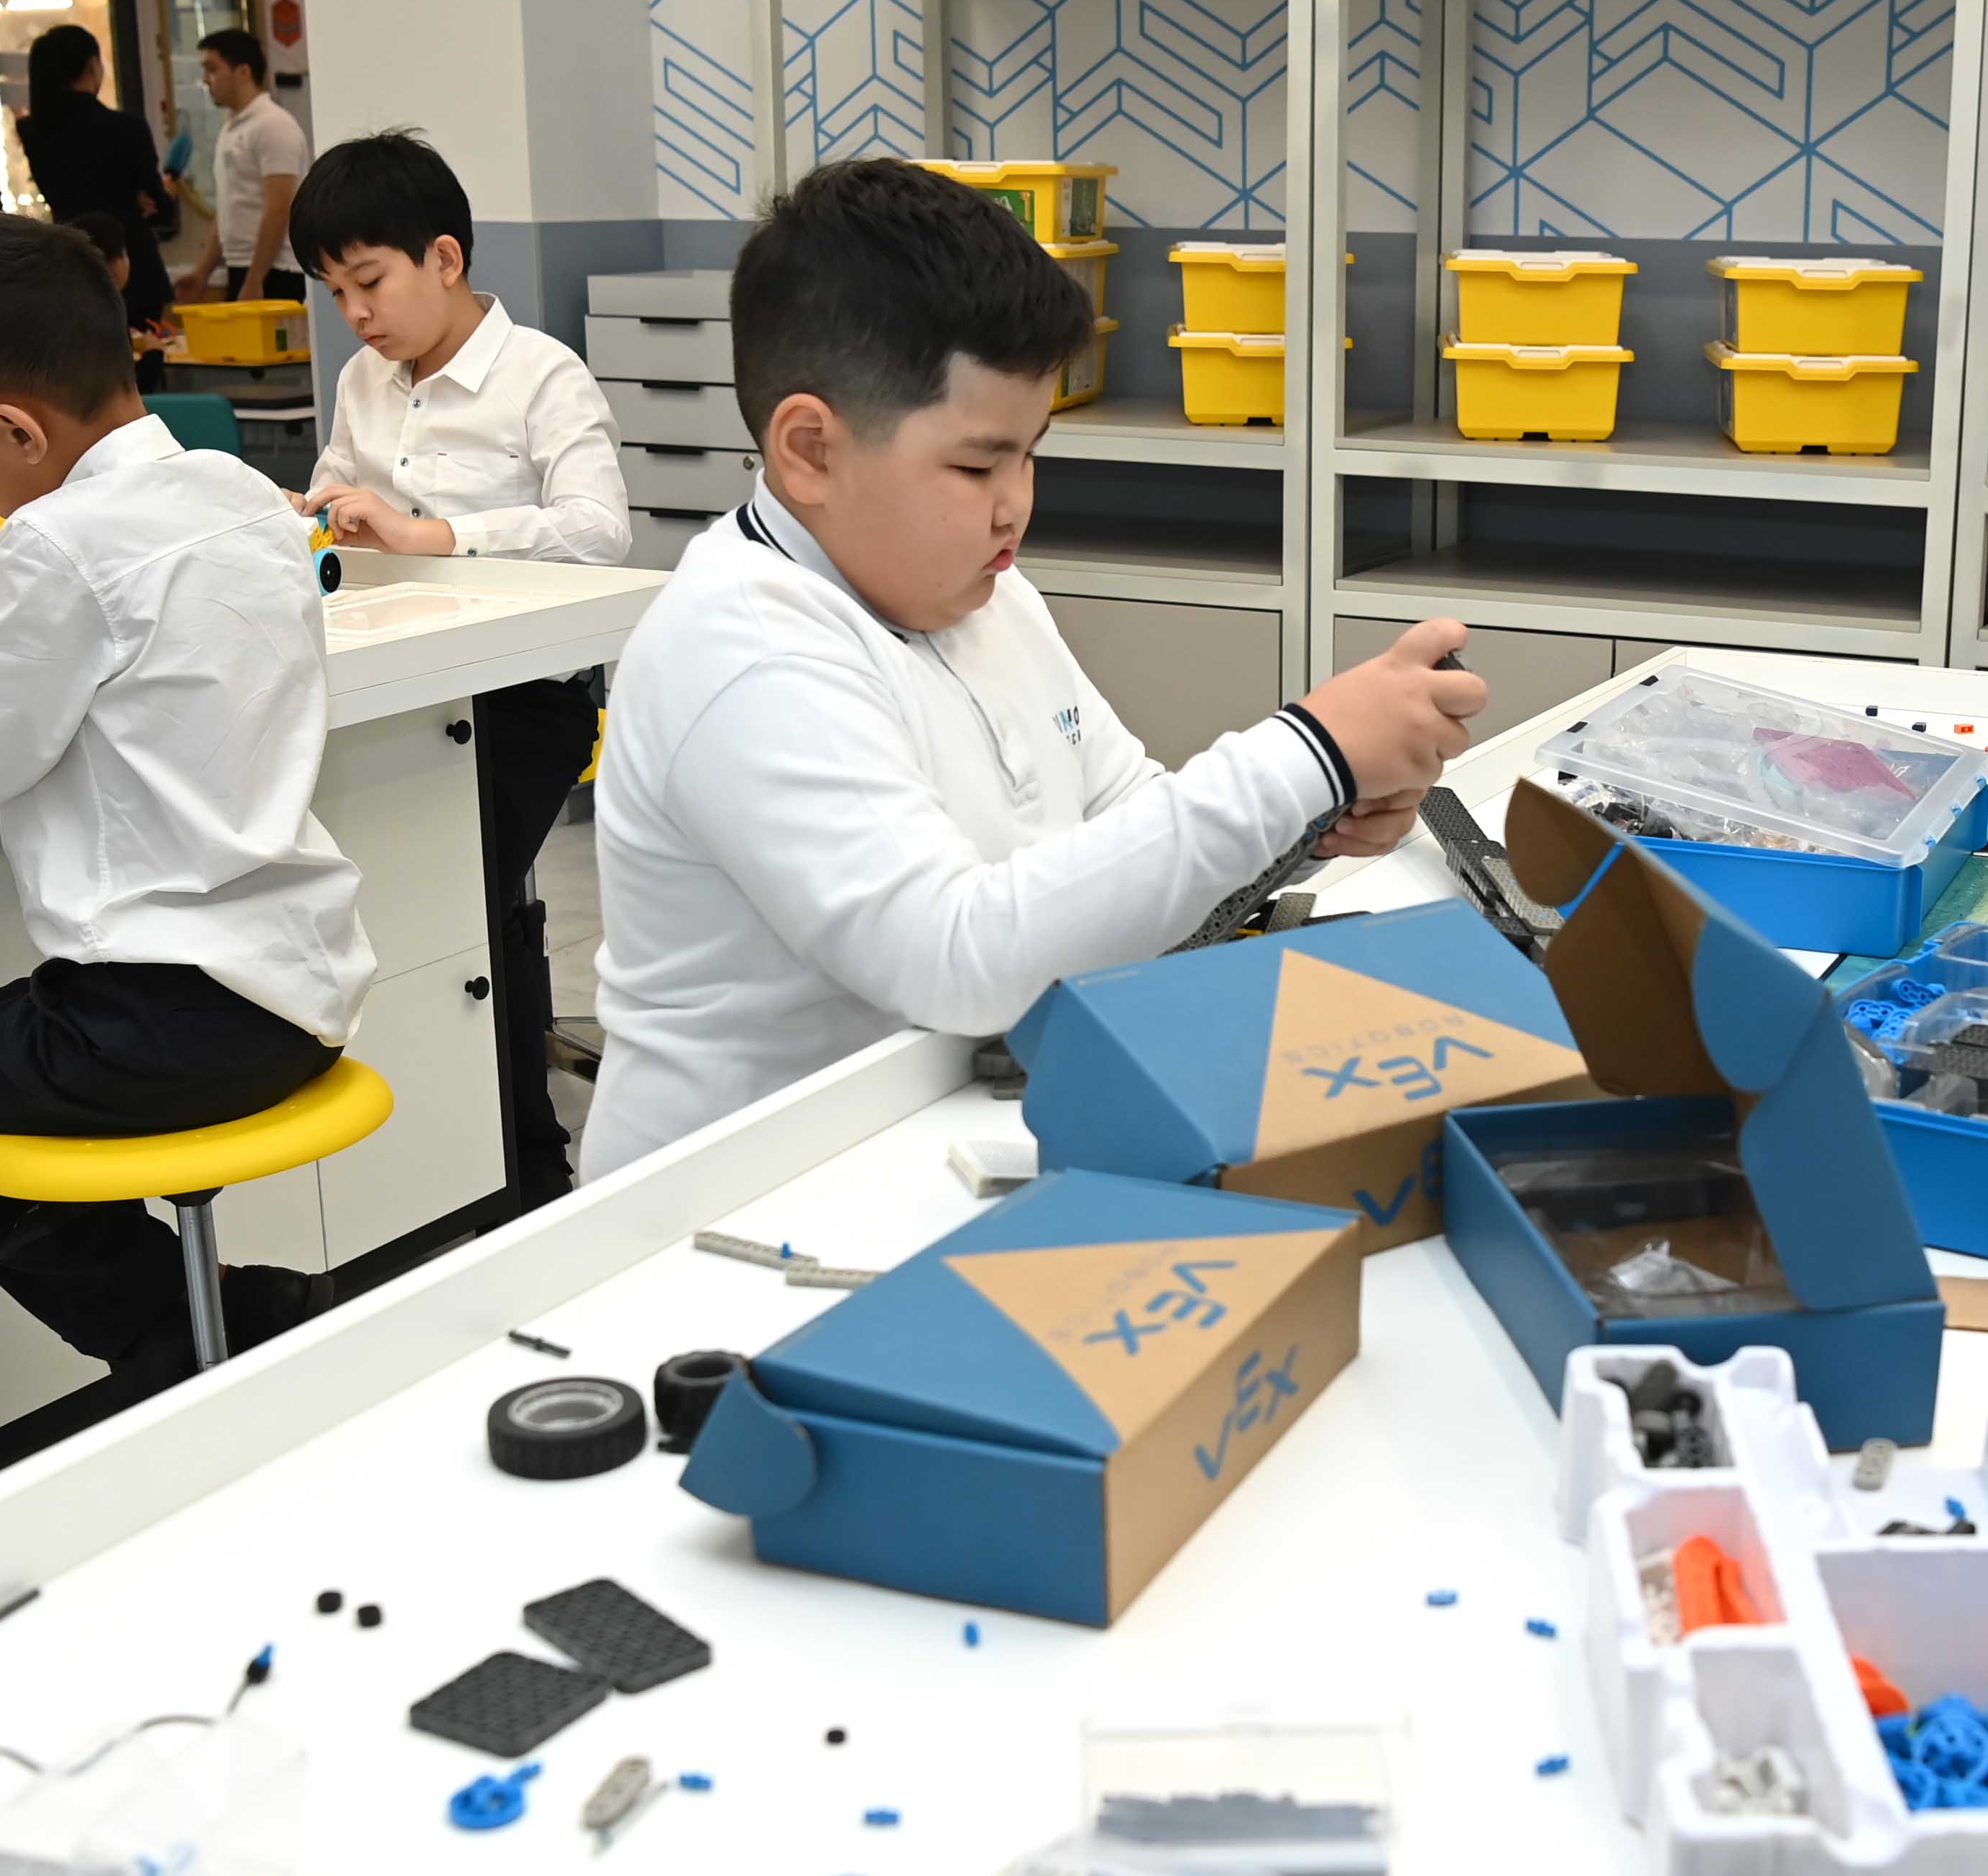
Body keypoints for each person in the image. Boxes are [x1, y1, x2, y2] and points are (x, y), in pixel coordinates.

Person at [582, 160, 1484, 1176]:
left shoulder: (981, 592)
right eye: (977, 464)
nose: (1016, 503)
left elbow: (1122, 819)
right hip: (732, 1199)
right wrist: (1305, 755)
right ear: (809, 451)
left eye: (1030, 452)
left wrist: (1307, 823)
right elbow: (955, 958)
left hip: (947, 1125)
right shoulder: (742, 650)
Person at [0, 213, 375, 1380]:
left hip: (163, 1016)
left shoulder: (55, 543)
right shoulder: (238, 491)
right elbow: (138, 667)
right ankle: (215, 1314)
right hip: (297, 988)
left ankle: (185, 1333)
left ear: (15, 429)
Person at [291, 129, 628, 1203]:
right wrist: (311, 514)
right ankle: (421, 1151)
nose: (356, 314)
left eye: (369, 282)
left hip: (523, 699)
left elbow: (599, 531)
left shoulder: (541, 375)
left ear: (444, 258)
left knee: (455, 894)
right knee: (370, 883)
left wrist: (434, 535)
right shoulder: (365, 381)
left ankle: (524, 1162)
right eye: (336, 293)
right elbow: (335, 494)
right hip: (395, 687)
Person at [15, 25, 170, 348]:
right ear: (92, 65)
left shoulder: (32, 132)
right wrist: (144, 200)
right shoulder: (126, 128)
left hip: (69, 265)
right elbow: (162, 208)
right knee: (142, 360)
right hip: (130, 265)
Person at [176, 26, 307, 304]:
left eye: (212, 69)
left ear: (244, 72)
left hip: (276, 270)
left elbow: (279, 208)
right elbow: (228, 211)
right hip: (242, 265)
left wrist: (256, 279)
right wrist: (202, 273)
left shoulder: (273, 125)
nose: (205, 79)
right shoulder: (231, 129)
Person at [59, 210, 176, 386]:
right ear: (115, 263)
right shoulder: (107, 316)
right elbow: (128, 389)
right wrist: (153, 355)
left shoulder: (63, 312)